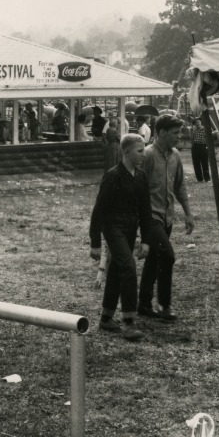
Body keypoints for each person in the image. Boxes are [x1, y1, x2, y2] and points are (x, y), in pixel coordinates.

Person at [89, 133, 153, 341]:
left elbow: (145, 211)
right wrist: (96, 243)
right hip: (113, 227)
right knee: (128, 266)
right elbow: (98, 211)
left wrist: (145, 240)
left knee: (117, 269)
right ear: (126, 152)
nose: (143, 154)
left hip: (130, 228)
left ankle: (106, 318)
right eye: (140, 151)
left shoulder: (142, 176)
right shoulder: (113, 175)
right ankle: (128, 322)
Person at [138, 114, 195, 321]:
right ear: (161, 133)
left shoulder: (175, 156)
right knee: (168, 257)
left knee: (154, 260)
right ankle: (164, 305)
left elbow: (180, 185)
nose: (178, 137)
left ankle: (143, 304)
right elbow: (137, 188)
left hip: (167, 217)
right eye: (174, 133)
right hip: (150, 217)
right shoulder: (147, 155)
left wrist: (188, 214)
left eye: (179, 132)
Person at [189, 117, 210, 183]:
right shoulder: (193, 130)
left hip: (203, 147)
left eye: (198, 122)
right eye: (196, 123)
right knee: (196, 163)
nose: (197, 123)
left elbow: (208, 138)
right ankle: (199, 179)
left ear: (201, 122)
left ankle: (207, 178)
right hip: (195, 147)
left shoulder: (205, 129)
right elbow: (191, 139)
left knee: (204, 163)